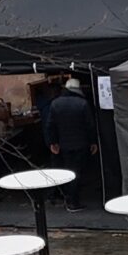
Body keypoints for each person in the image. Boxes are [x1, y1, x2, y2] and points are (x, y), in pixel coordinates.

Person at [41, 75, 98, 208]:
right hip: (81, 144)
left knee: (66, 170)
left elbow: (50, 125)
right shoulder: (83, 104)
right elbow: (90, 126)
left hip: (63, 145)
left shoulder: (55, 104)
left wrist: (52, 142)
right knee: (77, 172)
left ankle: (66, 196)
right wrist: (93, 142)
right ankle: (73, 201)